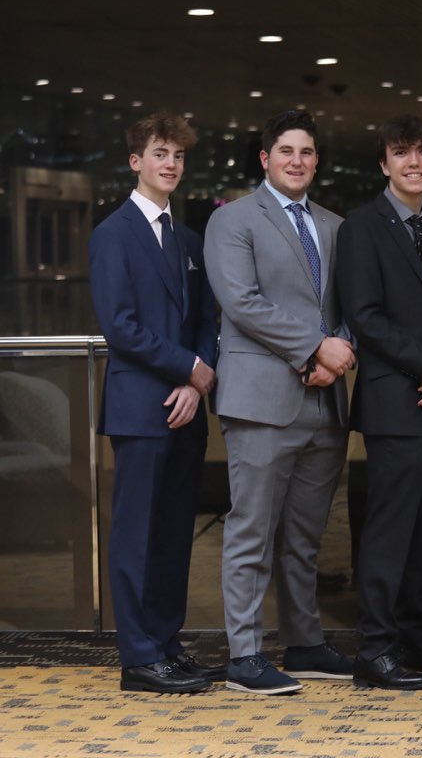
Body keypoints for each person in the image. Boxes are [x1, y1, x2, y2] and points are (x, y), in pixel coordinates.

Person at [205, 109, 356, 695]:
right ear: (265, 158)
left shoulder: (335, 225)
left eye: (307, 152)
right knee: (252, 530)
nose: (298, 160)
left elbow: (352, 307)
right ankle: (244, 655)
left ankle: (305, 642)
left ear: (317, 161)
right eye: (286, 151)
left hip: (325, 405)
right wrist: (316, 348)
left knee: (305, 536)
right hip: (263, 399)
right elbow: (242, 302)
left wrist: (341, 347)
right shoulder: (234, 219)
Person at [335, 115, 422, 691]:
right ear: (384, 163)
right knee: (391, 530)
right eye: (401, 152)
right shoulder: (361, 227)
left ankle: (415, 635)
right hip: (397, 401)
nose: (413, 162)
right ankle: (377, 648)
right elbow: (365, 316)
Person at [90, 112, 220, 694]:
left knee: (172, 534)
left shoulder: (191, 239)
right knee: (136, 534)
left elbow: (207, 321)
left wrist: (197, 382)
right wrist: (186, 368)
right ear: (134, 161)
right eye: (160, 153)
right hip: (141, 407)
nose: (171, 165)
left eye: (178, 156)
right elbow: (121, 328)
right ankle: (139, 656)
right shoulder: (112, 233)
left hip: (187, 406)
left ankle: (167, 645)